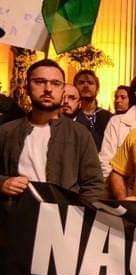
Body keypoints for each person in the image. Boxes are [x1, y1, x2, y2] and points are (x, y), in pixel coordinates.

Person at [0, 59, 104, 201]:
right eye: (40, 82)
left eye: (56, 83)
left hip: (64, 218)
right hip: (16, 217)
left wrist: (76, 217)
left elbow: (94, 185)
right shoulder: (7, 131)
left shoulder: (78, 134)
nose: (48, 88)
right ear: (27, 88)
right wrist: (3, 183)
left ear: (62, 90)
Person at [73, 69, 113, 149]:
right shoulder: (70, 116)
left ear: (97, 88)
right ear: (74, 87)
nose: (86, 86)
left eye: (90, 83)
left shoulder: (109, 118)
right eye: (81, 83)